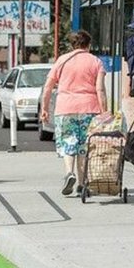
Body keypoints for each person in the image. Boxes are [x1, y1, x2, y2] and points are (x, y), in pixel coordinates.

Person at [39, 30, 107, 196]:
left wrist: (44, 108)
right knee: (84, 146)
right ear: (88, 45)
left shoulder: (62, 60)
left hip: (65, 108)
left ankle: (70, 173)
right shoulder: (96, 62)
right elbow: (100, 89)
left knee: (69, 142)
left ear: (72, 45)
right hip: (89, 108)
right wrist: (104, 112)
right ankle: (83, 183)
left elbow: (48, 87)